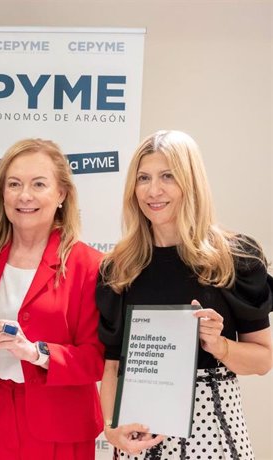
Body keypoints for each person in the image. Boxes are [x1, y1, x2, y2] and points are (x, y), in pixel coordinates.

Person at [97, 130, 273, 459]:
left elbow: (263, 359)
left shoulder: (235, 257)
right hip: (139, 432)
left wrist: (219, 345)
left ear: (190, 182)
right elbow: (112, 366)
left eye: (168, 176)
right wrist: (111, 426)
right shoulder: (118, 267)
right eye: (143, 178)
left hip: (212, 431)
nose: (153, 190)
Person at [0, 138, 105, 460]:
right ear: (2, 194)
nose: (25, 196)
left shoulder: (89, 265)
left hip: (59, 424)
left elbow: (95, 359)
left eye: (39, 184)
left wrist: (35, 352)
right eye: (14, 184)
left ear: (62, 194)